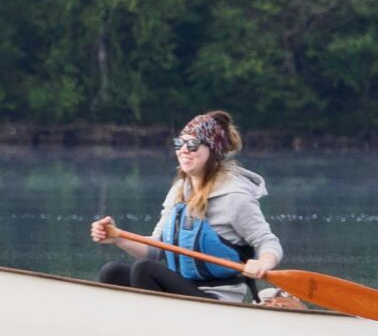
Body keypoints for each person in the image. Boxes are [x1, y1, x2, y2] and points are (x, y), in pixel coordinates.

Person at [90, 111, 283, 302]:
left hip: (216, 298)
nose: (183, 150)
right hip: (183, 288)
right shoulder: (179, 191)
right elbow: (155, 249)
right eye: (179, 143)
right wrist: (117, 237)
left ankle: (154, 326)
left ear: (213, 150)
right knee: (112, 272)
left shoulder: (235, 197)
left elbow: (268, 242)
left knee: (144, 269)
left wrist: (263, 263)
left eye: (192, 144)